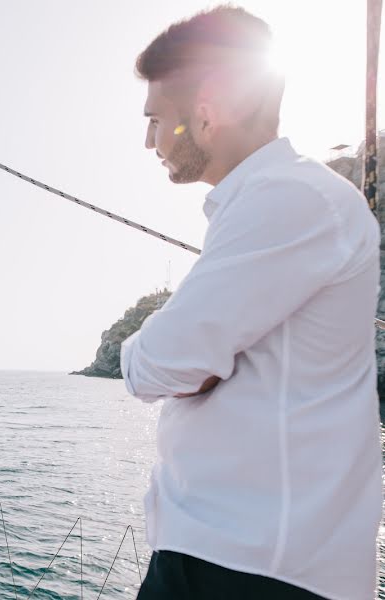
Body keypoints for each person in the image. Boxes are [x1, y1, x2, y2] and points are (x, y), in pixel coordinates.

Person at [121, 6, 382, 600]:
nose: (148, 140)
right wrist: (194, 358)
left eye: (157, 119)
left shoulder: (290, 198)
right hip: (235, 557)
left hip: (252, 567)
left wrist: (163, 350)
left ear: (206, 114)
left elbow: (156, 366)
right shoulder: (266, 204)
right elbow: (189, 363)